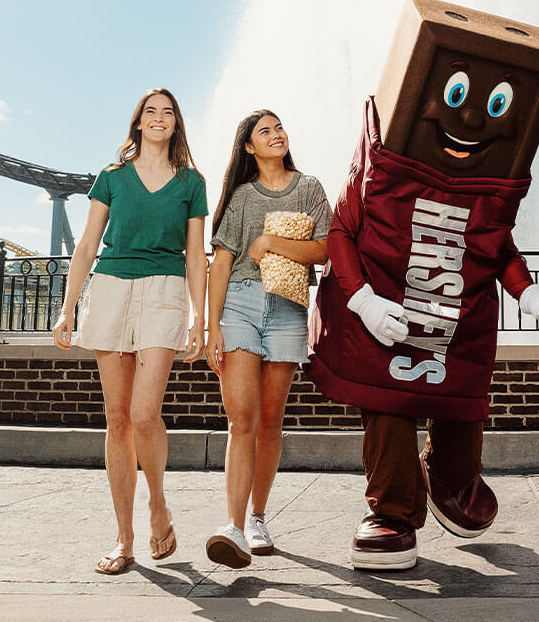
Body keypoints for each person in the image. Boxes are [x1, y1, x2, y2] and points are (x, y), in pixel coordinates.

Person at [52, 88, 207, 576]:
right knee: (116, 420)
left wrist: (200, 315)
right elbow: (86, 245)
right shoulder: (112, 178)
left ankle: (158, 502)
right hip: (112, 286)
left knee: (144, 415)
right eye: (150, 112)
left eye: (168, 113)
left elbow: (196, 255)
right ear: (138, 123)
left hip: (164, 290)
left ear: (176, 125)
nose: (159, 119)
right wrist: (67, 306)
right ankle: (124, 537)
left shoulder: (191, 183)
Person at [202, 111, 331, 568]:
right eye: (265, 131)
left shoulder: (310, 188)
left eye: (279, 128)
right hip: (239, 302)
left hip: (288, 308)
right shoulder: (240, 197)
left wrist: (271, 242)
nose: (276, 135)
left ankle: (258, 516)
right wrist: (210, 325)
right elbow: (220, 263)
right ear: (249, 148)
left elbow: (324, 248)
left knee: (272, 421)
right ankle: (233, 528)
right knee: (243, 420)